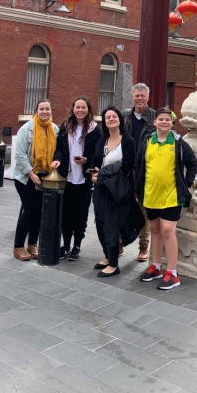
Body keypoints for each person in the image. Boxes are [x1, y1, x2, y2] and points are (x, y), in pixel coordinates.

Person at [135, 107, 197, 290]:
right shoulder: (148, 141)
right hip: (151, 194)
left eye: (167, 120)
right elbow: (139, 164)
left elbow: (192, 163)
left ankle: (173, 272)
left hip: (172, 195)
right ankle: (156, 266)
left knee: (168, 230)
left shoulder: (178, 142)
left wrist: (187, 183)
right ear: (154, 122)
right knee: (155, 229)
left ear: (172, 123)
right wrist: (139, 187)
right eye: (160, 119)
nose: (164, 122)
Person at [53, 96, 102, 261]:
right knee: (66, 214)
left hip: (84, 180)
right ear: (73, 109)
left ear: (88, 109)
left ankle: (77, 246)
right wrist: (58, 159)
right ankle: (65, 245)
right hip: (67, 178)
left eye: (83, 107)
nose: (80, 110)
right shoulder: (65, 127)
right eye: (77, 107)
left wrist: (87, 160)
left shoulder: (95, 129)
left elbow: (98, 152)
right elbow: (59, 148)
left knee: (81, 215)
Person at [12, 99, 61, 261]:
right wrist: (32, 175)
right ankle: (18, 246)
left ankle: (32, 244)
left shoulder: (55, 129)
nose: (45, 111)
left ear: (51, 111)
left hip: (44, 175)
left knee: (40, 211)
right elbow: (19, 155)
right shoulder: (27, 129)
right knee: (30, 210)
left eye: (47, 109)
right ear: (36, 111)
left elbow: (57, 151)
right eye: (42, 109)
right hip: (25, 176)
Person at [91, 107, 136, 277]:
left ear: (120, 119)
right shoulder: (102, 140)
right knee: (100, 223)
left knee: (111, 225)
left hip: (116, 190)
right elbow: (95, 162)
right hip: (100, 189)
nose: (111, 119)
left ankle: (114, 264)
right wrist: (94, 174)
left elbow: (125, 167)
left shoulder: (128, 141)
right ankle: (108, 256)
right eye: (108, 117)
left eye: (114, 116)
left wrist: (101, 174)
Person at [124, 83, 156, 262]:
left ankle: (143, 247)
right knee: (123, 206)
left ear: (147, 97)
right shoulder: (125, 116)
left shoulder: (154, 117)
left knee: (144, 209)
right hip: (127, 167)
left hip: (145, 168)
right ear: (132, 97)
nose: (139, 98)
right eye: (137, 96)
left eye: (142, 96)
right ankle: (120, 240)